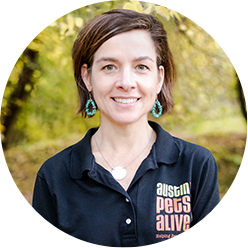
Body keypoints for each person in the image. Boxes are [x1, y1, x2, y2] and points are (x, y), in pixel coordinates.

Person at [30, 9, 225, 248]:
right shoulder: (54, 175)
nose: (126, 82)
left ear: (159, 78)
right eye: (109, 67)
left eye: (141, 67)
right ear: (87, 77)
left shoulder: (196, 164)